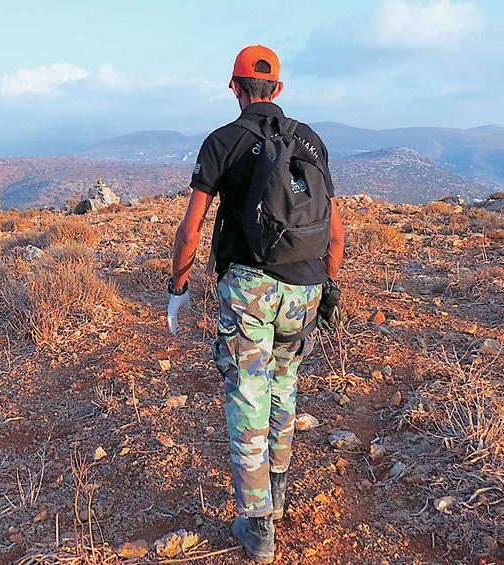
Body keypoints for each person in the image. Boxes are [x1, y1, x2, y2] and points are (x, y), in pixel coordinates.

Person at [167, 45, 345, 563]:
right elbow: (335, 230)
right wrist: (329, 287)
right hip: (306, 285)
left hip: (249, 287)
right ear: (279, 90)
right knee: (285, 383)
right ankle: (281, 493)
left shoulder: (223, 142)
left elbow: (190, 231)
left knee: (249, 394)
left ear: (234, 87)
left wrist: (178, 287)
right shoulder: (310, 139)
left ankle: (257, 525)